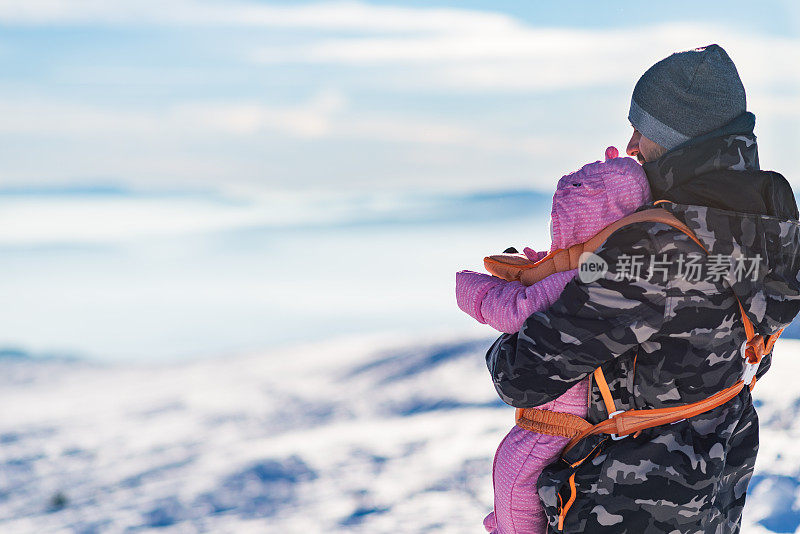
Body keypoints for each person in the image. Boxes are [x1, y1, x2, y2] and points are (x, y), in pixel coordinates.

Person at [485, 44, 800, 533]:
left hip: (627, 501)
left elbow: (521, 374)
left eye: (645, 130)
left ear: (681, 138)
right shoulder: (772, 223)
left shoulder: (655, 247)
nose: (631, 145)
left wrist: (539, 298)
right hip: (716, 489)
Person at [456, 147, 651, 533]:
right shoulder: (611, 267)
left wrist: (473, 291)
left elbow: (515, 311)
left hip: (557, 421)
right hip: (587, 419)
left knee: (514, 484)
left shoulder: (575, 279)